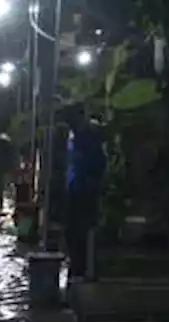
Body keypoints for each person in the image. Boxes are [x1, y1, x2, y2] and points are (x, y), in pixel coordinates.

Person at [63, 105, 107, 278]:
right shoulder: (74, 136)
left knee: (83, 230)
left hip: (85, 189)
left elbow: (98, 163)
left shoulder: (90, 136)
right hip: (75, 188)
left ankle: (84, 267)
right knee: (73, 231)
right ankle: (78, 266)